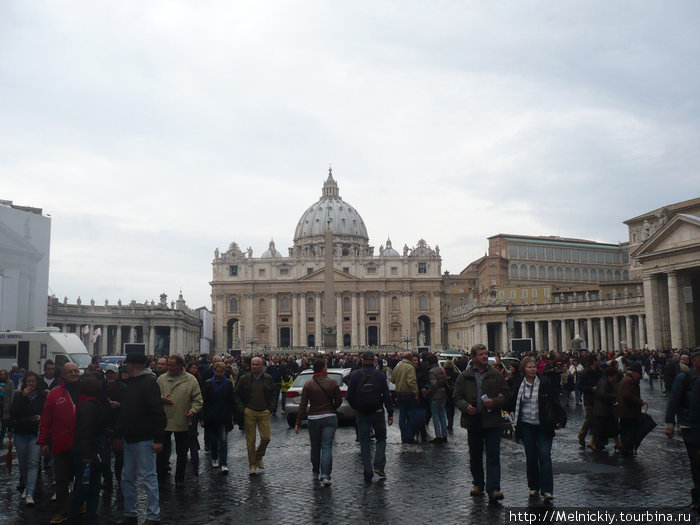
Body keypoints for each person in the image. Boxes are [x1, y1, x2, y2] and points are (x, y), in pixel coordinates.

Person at [453, 344, 512, 504]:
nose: (485, 356)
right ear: (473, 357)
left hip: (492, 420)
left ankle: (494, 489)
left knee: (493, 456)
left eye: (486, 353)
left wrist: (495, 402)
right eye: (481, 354)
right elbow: (457, 397)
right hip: (473, 420)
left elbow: (507, 396)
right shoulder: (464, 376)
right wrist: (466, 407)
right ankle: (478, 484)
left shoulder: (496, 375)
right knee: (475, 456)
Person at [113, 352, 166, 525]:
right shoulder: (132, 383)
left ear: (132, 366)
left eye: (127, 364)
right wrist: (119, 434)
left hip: (144, 439)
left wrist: (158, 438)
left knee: (148, 478)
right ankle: (130, 512)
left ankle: (153, 516)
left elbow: (157, 412)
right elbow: (126, 412)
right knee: (127, 477)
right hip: (130, 438)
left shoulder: (149, 383)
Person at [510, 357, 565, 504]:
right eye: (529, 367)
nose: (533, 369)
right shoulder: (518, 384)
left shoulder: (545, 383)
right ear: (523, 369)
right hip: (527, 425)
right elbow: (513, 401)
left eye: (534, 367)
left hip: (544, 424)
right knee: (532, 457)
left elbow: (555, 402)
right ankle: (533, 486)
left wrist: (560, 419)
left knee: (544, 455)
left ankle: (547, 490)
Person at [37, 362, 81, 525]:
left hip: (81, 442)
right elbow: (46, 420)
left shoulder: (86, 390)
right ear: (63, 375)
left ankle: (80, 503)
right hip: (61, 442)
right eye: (71, 372)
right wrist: (43, 442)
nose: (75, 374)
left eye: (77, 371)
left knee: (81, 477)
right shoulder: (55, 394)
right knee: (62, 479)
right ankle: (61, 511)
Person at [156, 354, 203, 487]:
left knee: (181, 452)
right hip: (164, 421)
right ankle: (161, 476)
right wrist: (161, 399)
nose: (168, 368)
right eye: (168, 365)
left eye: (171, 365)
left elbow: (198, 400)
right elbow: (153, 397)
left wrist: (193, 411)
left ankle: (179, 478)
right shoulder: (161, 379)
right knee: (161, 452)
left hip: (182, 419)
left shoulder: (191, 380)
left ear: (180, 366)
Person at [347, 351, 394, 483]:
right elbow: (386, 395)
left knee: (364, 442)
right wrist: (390, 412)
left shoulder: (355, 375)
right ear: (374, 360)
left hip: (362, 413)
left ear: (361, 360)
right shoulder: (380, 375)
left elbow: (349, 396)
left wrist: (357, 408)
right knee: (381, 438)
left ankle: (367, 470)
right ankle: (379, 466)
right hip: (378, 412)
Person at [294, 358, 342, 486]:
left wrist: (298, 422)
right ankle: (325, 476)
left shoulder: (308, 384)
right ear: (323, 369)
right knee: (327, 447)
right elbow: (339, 401)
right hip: (329, 417)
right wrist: (332, 408)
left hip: (314, 418)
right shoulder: (332, 382)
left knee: (315, 447)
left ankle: (315, 472)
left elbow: (303, 405)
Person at [67, 377, 104, 525]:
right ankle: (78, 517)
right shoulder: (90, 406)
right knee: (87, 488)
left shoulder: (85, 403)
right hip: (87, 455)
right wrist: (88, 455)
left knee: (88, 487)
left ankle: (88, 517)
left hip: (86, 452)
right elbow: (85, 432)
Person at [665, 350, 700, 508]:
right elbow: (673, 401)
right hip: (689, 425)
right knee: (696, 462)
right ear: (694, 360)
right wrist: (669, 424)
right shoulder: (684, 378)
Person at [9, 371, 46, 506]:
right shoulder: (19, 395)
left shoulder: (42, 396)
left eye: (33, 381)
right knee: (23, 463)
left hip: (35, 432)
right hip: (20, 432)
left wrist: (40, 417)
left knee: (33, 462)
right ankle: (26, 485)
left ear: (37, 383)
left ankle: (30, 492)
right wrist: (23, 397)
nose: (31, 384)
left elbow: (45, 411)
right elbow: (13, 412)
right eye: (29, 381)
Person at [233, 356, 276, 475]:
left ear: (262, 365)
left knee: (266, 438)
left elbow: (273, 393)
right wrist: (243, 409)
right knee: (250, 440)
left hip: (264, 412)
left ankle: (258, 456)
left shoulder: (268, 378)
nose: (254, 367)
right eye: (253, 365)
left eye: (257, 365)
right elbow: (236, 394)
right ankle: (252, 464)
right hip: (250, 411)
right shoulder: (244, 378)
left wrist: (270, 409)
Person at [201, 362, 235, 474]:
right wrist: (202, 417)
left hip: (223, 416)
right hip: (211, 416)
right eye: (217, 371)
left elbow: (231, 401)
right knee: (214, 441)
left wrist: (233, 417)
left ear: (224, 372)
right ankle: (215, 457)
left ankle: (224, 463)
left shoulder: (228, 384)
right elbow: (204, 401)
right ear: (214, 371)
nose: (219, 373)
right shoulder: (208, 383)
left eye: (221, 372)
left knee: (223, 440)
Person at [101, 364, 127, 489]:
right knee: (104, 458)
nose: (110, 375)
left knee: (120, 458)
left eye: (112, 373)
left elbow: (129, 406)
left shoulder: (124, 389)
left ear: (117, 374)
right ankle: (107, 478)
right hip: (104, 427)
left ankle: (120, 479)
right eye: (108, 373)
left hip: (119, 427)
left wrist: (120, 405)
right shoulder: (101, 388)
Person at [617, 363, 647, 456]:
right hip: (628, 413)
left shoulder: (628, 379)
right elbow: (628, 396)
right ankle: (627, 450)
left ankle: (627, 448)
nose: (639, 376)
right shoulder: (628, 381)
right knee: (628, 432)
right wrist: (639, 401)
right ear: (634, 373)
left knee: (627, 431)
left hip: (627, 412)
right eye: (638, 374)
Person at [389, 352, 419, 443]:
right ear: (410, 358)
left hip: (399, 394)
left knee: (402, 416)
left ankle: (403, 436)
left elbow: (392, 379)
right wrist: (416, 393)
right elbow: (411, 381)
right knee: (411, 416)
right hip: (409, 394)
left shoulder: (398, 366)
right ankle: (409, 437)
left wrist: (399, 383)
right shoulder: (410, 367)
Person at [589, 367, 619, 451]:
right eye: (615, 376)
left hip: (604, 409)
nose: (616, 378)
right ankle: (592, 442)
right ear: (611, 376)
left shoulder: (606, 382)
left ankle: (617, 443)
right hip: (602, 410)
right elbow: (602, 394)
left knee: (612, 426)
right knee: (600, 428)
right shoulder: (604, 382)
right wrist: (614, 396)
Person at [576, 354, 602, 448]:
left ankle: (594, 440)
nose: (600, 362)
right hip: (589, 399)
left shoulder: (600, 371)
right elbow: (579, 386)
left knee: (598, 419)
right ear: (593, 361)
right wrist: (591, 388)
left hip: (599, 398)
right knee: (589, 419)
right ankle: (582, 435)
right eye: (598, 360)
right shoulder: (584, 373)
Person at [425, 353, 448, 444]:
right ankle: (444, 435)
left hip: (435, 396)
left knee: (435, 416)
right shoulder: (441, 369)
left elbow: (434, 385)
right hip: (444, 395)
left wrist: (427, 394)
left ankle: (438, 436)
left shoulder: (432, 371)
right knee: (442, 415)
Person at [0, 368, 14, 448]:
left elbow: (12, 394)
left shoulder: (10, 383)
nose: (2, 376)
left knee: (4, 425)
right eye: (1, 374)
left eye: (3, 374)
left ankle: (1, 439)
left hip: (6, 407)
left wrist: (10, 406)